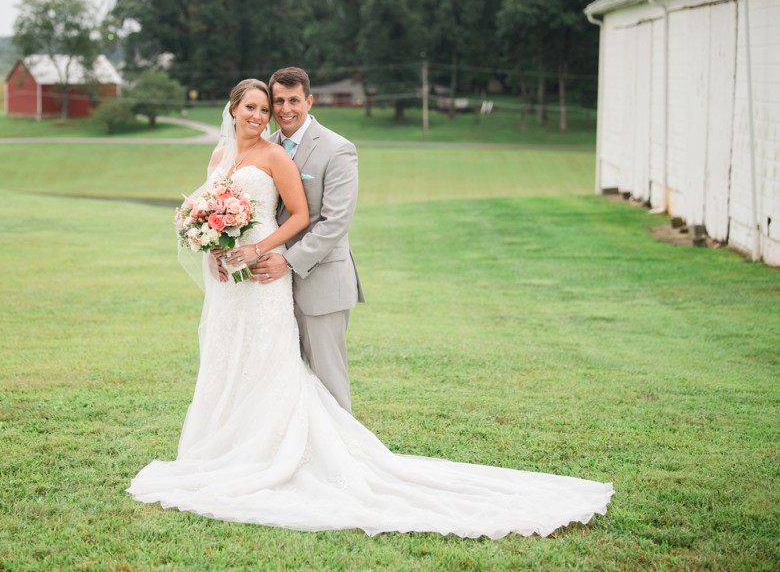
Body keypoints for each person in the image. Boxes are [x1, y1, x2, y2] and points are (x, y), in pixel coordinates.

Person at [127, 78, 614, 538]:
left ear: (309, 101)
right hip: (233, 282)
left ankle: (333, 460)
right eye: (257, 105)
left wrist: (260, 252)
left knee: (295, 368)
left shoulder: (294, 152)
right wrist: (214, 248)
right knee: (229, 358)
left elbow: (314, 218)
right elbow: (209, 213)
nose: (266, 112)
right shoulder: (224, 152)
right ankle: (228, 445)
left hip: (280, 270)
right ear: (233, 109)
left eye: (271, 104)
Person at [249, 67, 363, 415]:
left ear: (309, 101)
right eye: (278, 101)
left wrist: (288, 259)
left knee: (329, 380)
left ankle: (345, 458)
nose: (285, 109)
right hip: (273, 288)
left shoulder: (337, 148)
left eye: (294, 100)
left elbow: (335, 222)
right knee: (285, 380)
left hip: (322, 282)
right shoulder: (265, 147)